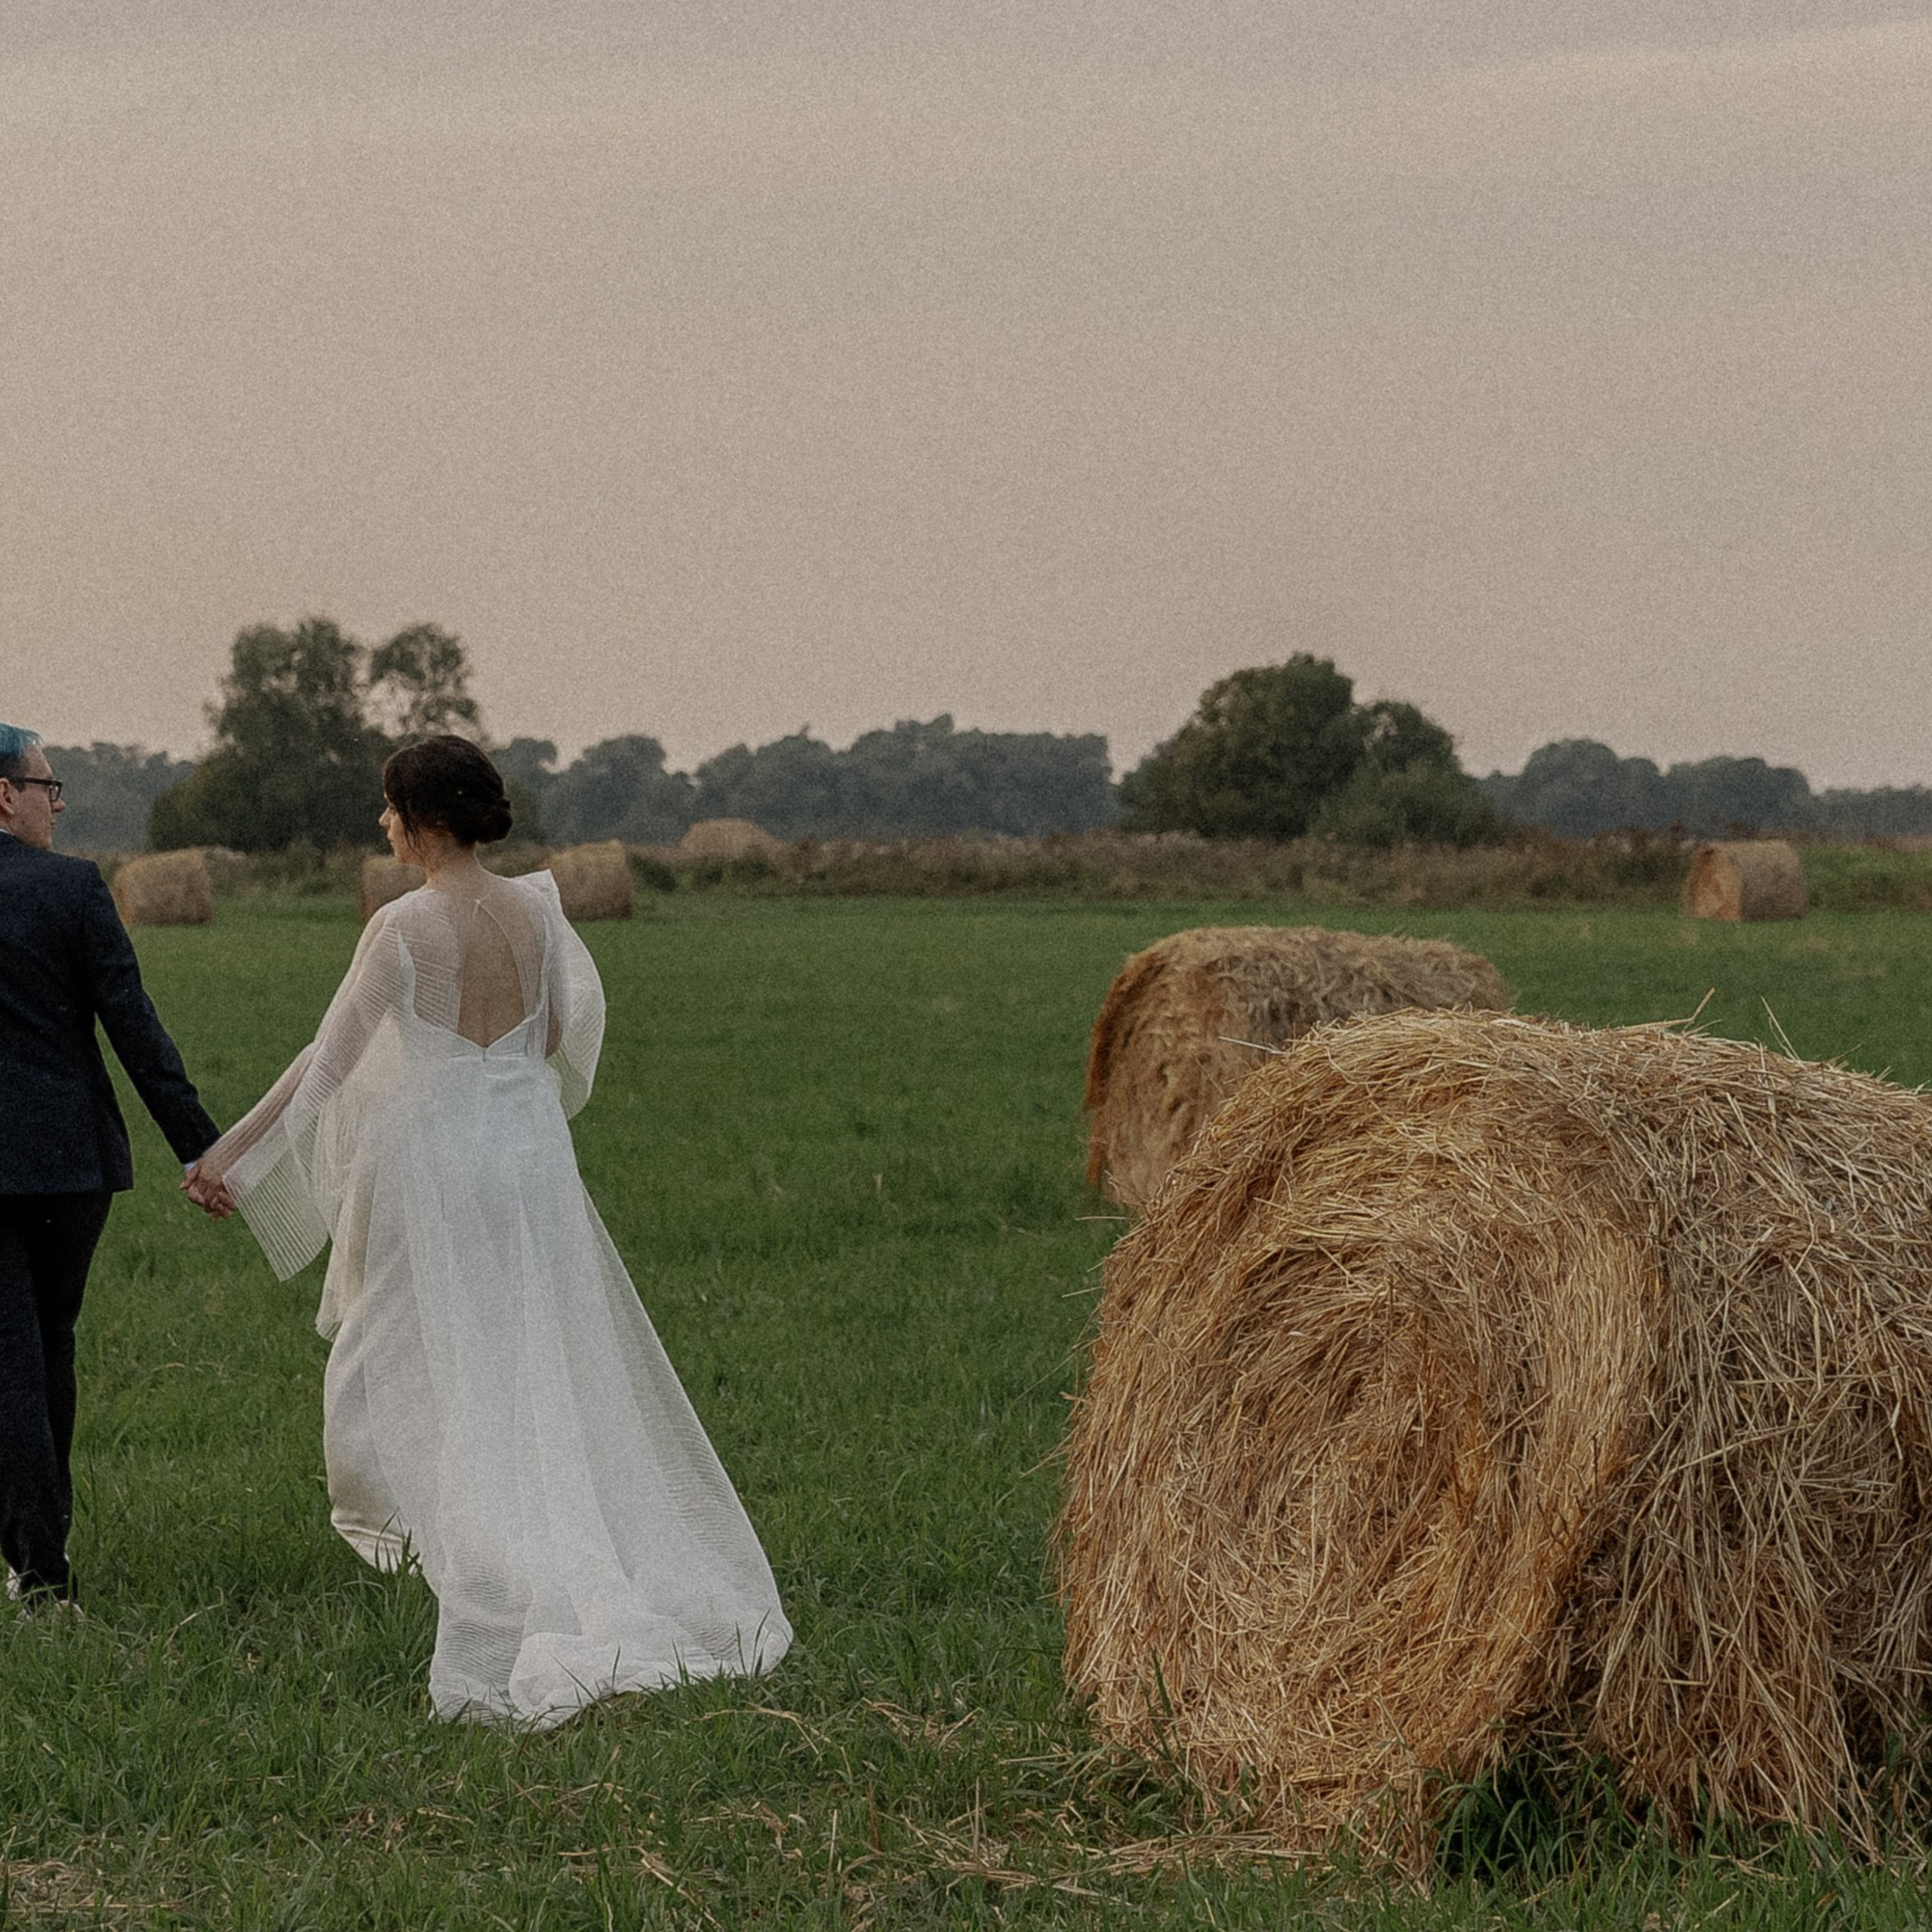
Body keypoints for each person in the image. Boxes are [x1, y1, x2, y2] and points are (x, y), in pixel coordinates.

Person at [188, 736, 789, 1724]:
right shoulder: (541, 912)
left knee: (388, 1353)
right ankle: (514, 1539)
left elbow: (329, 1061)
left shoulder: (400, 926)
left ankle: (458, 1548)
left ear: (423, 818)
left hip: (435, 1159)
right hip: (528, 1155)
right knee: (531, 1351)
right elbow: (550, 1039)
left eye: (390, 807)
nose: (382, 823)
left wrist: (230, 1159)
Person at [0, 723, 223, 1611]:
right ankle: (40, 1559)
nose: (56, 805)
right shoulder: (72, 888)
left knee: (11, 1356)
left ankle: (35, 1565)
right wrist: (199, 1144)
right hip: (69, 1161)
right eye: (47, 787)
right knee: (46, 1344)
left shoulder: (70, 881)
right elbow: (134, 1024)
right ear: (5, 794)